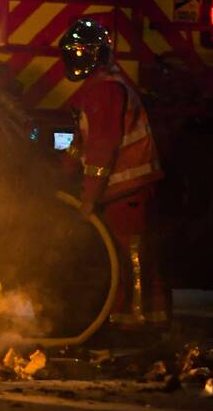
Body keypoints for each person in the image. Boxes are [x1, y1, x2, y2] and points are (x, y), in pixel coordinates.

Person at [59, 17, 170, 334]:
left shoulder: (106, 90)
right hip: (122, 190)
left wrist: (88, 199)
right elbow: (82, 146)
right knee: (129, 260)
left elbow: (102, 148)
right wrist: (58, 177)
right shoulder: (100, 87)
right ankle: (143, 322)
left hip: (127, 190)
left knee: (131, 261)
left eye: (76, 52)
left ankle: (135, 327)